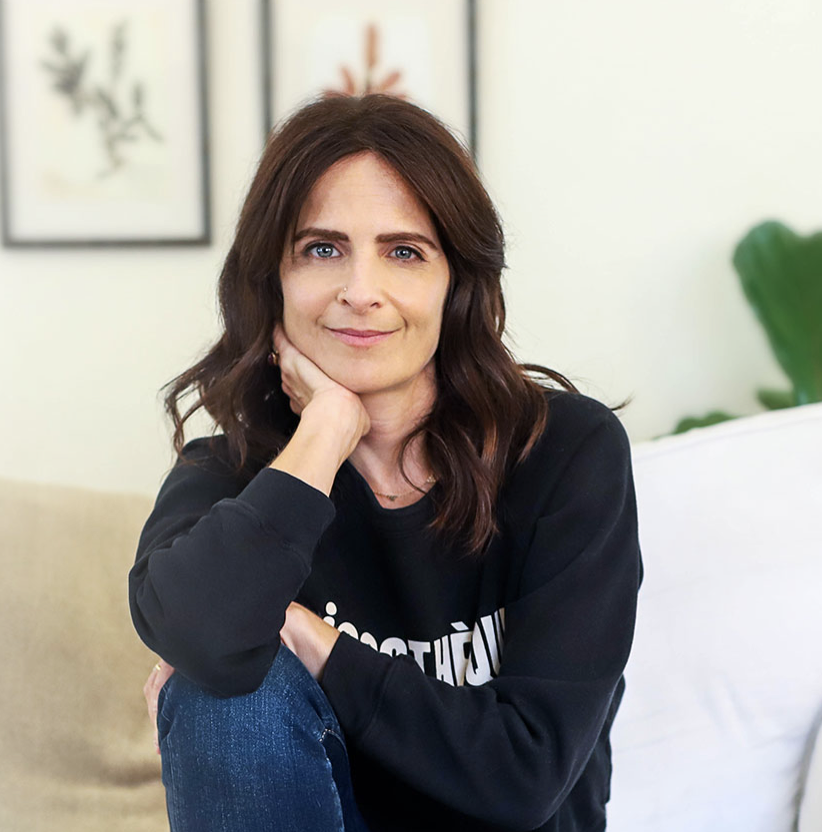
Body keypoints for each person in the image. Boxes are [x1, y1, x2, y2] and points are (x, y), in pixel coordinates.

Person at [128, 93, 643, 832]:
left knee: (237, 653)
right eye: (322, 249)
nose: (360, 292)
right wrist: (326, 431)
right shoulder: (233, 475)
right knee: (222, 685)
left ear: (455, 283)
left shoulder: (563, 454)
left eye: (404, 252)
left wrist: (314, 641)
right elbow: (202, 638)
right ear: (272, 280)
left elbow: (526, 775)